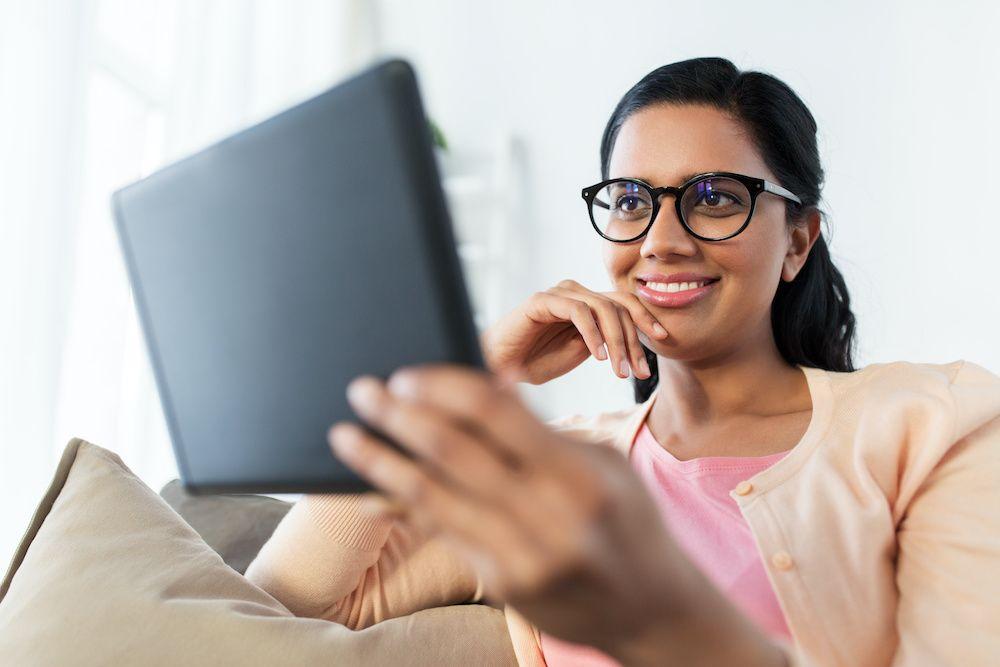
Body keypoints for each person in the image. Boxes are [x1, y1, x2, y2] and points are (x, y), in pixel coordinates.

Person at [244, 57, 1000, 666]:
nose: (661, 240)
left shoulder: (937, 424)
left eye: (713, 196)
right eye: (631, 199)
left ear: (798, 239)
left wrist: (660, 619)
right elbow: (284, 607)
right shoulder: (547, 474)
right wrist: (464, 376)